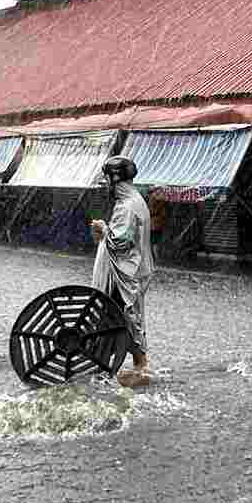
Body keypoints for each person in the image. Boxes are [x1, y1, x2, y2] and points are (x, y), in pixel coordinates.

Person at [89, 155, 154, 388]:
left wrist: (102, 228)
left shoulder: (126, 206)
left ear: (115, 180)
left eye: (107, 180)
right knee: (126, 317)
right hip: (133, 269)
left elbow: (120, 242)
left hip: (124, 273)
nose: (106, 185)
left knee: (115, 317)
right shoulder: (136, 200)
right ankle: (135, 364)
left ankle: (110, 366)